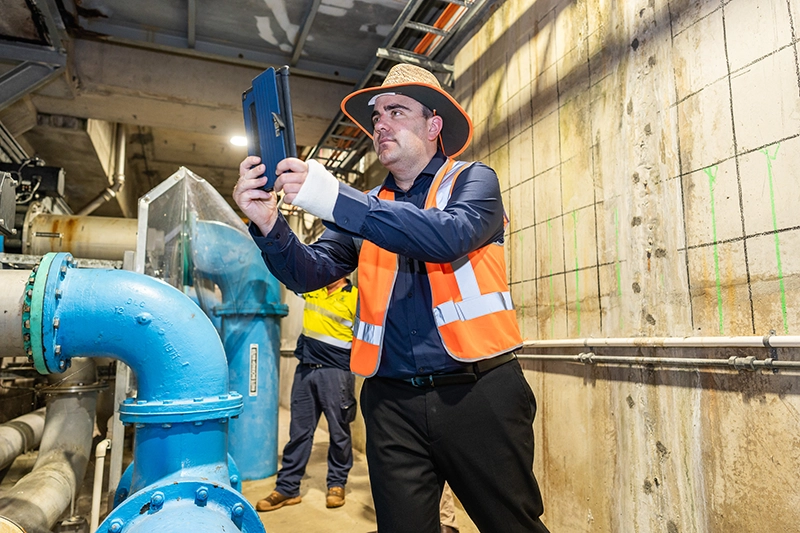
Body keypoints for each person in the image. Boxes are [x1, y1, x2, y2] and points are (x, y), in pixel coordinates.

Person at [233, 63, 549, 532]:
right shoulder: (363, 207)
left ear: (433, 125)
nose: (380, 123)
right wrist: (268, 225)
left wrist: (333, 197)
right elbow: (309, 272)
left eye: (396, 111)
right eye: (376, 116)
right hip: (391, 402)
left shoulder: (472, 182)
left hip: (478, 393)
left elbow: (448, 236)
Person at [255, 277, 358, 512]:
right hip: (305, 370)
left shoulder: (355, 298)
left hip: (336, 373)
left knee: (339, 432)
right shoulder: (313, 289)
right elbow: (292, 273)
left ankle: (337, 484)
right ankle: (287, 488)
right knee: (299, 433)